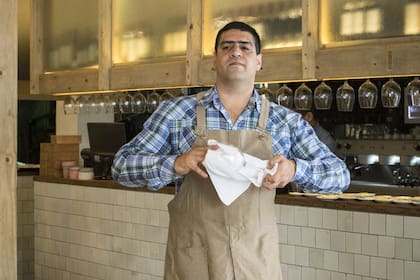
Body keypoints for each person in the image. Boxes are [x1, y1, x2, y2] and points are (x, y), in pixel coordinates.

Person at [112, 21, 350, 279]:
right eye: (227, 47)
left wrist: (294, 169)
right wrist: (174, 164)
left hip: (256, 262)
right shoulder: (177, 113)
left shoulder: (285, 122)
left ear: (259, 61)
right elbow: (121, 165)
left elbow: (339, 176)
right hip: (193, 258)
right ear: (215, 60)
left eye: (245, 47)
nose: (236, 52)